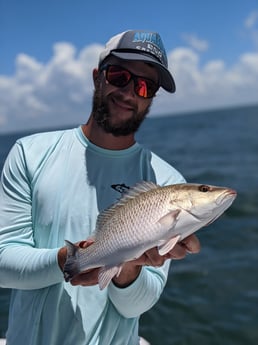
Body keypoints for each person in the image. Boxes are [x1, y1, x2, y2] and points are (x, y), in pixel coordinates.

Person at [0, 30, 200, 345]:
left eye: (145, 86)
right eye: (119, 76)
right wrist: (72, 259)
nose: (129, 93)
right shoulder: (30, 153)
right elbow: (3, 264)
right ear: (98, 77)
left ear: (152, 97)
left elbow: (137, 305)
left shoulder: (168, 182)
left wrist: (127, 265)